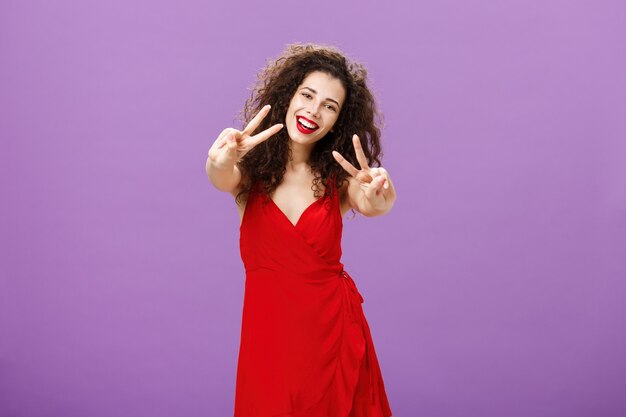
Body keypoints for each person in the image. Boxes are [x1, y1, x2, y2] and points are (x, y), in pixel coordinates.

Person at [206, 43, 396, 417]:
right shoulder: (251, 176)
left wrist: (381, 193)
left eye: (330, 105)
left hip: (331, 337)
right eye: (307, 95)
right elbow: (221, 176)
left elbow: (372, 203)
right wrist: (219, 158)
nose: (314, 110)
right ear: (288, 96)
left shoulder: (339, 179)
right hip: (269, 344)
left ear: (339, 121)